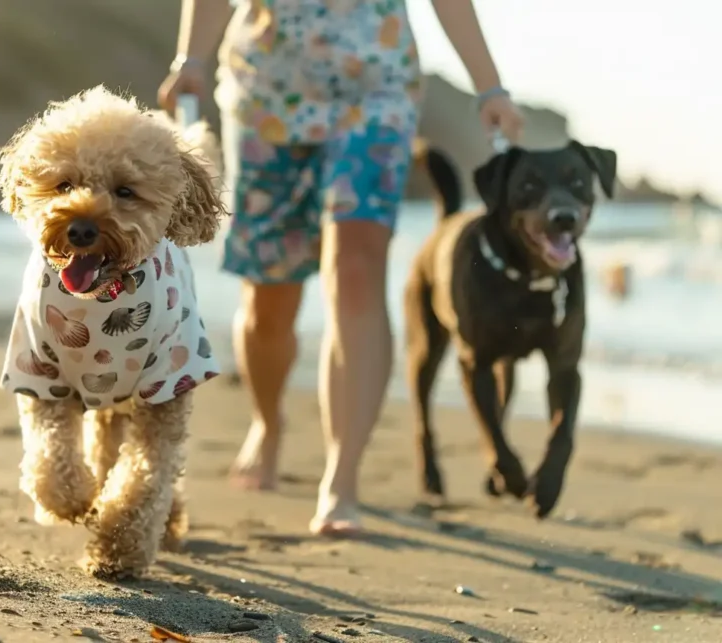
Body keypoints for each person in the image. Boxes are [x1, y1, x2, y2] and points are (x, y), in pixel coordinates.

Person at [158, 0, 524, 535]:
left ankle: (342, 475)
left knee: (356, 268)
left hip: (377, 90)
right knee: (269, 296)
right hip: (267, 90)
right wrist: (191, 56)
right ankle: (268, 423)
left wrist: (490, 88)